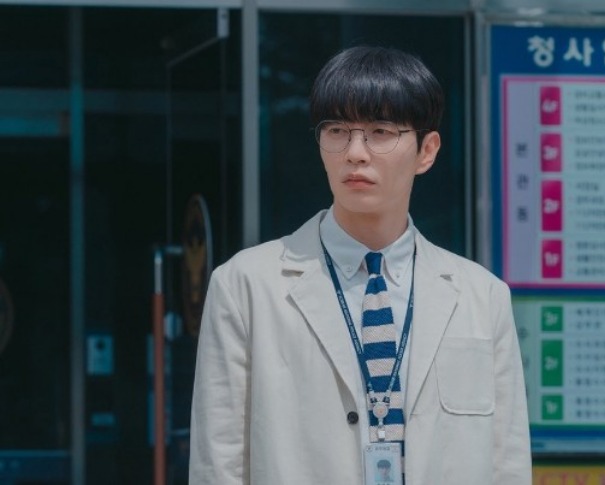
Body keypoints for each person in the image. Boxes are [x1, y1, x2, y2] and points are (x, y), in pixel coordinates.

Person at [189, 45, 531, 484]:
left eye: (380, 131)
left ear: (427, 151)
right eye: (337, 130)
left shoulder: (481, 295)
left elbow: (507, 461)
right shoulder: (246, 285)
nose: (355, 152)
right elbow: (218, 462)